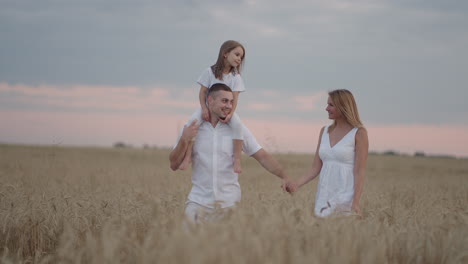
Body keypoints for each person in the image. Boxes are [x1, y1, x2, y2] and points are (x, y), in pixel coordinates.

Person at [170, 83, 290, 224]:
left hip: (229, 206)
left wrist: (286, 177)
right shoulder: (192, 128)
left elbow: (262, 156)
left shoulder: (237, 130)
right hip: (197, 204)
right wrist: (184, 139)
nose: (229, 106)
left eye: (231, 102)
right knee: (187, 245)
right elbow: (173, 164)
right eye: (224, 101)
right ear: (210, 101)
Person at [285, 89, 369, 217]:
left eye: (331, 105)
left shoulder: (359, 133)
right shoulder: (324, 131)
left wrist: (355, 203)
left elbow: (359, 171)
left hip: (346, 196)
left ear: (343, 106)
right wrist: (297, 184)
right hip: (324, 195)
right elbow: (315, 167)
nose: (326, 108)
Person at [178, 40, 247, 173]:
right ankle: (187, 157)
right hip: (207, 108)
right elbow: (202, 92)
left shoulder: (236, 77)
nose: (239, 59)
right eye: (237, 54)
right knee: (192, 123)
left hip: (227, 110)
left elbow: (235, 98)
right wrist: (204, 108)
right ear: (225, 53)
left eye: (241, 57)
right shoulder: (209, 72)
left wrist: (230, 114)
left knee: (238, 125)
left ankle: (237, 160)